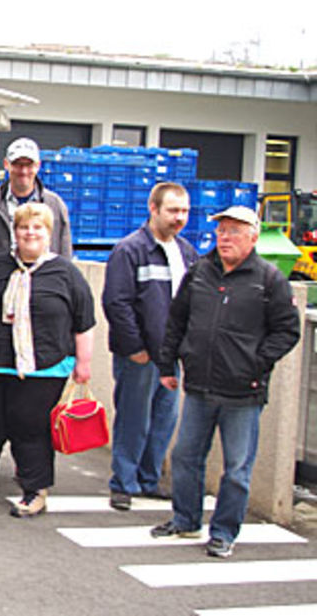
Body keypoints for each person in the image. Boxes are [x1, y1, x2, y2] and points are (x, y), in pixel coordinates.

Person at [151, 205, 300, 558]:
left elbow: (287, 330)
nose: (224, 238)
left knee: (236, 469)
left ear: (252, 237)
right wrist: (168, 363)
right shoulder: (200, 272)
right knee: (186, 456)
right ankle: (185, 520)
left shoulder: (268, 279)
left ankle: (223, 531)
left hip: (242, 393)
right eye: (221, 231)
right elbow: (177, 320)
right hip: (200, 385)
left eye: (234, 231)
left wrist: (256, 363)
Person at [0, 203, 95, 517]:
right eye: (24, 227)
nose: (30, 233)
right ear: (14, 232)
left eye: (37, 227)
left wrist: (84, 363)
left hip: (44, 366)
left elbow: (84, 322)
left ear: (49, 233)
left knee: (29, 426)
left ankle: (35, 489)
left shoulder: (66, 274)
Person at [103, 182, 198, 510]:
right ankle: (124, 482)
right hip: (140, 356)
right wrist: (135, 348)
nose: (179, 218)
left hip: (172, 357)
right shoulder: (130, 250)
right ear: (153, 209)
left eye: (184, 211)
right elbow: (117, 302)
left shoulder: (185, 252)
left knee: (163, 419)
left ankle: (149, 478)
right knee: (133, 418)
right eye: (173, 210)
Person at [0, 137, 72, 262]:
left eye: (29, 164)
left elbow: (64, 252)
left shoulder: (54, 205)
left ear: (38, 165)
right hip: (1, 279)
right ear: (6, 164)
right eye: (17, 164)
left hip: (44, 279)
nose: (23, 170)